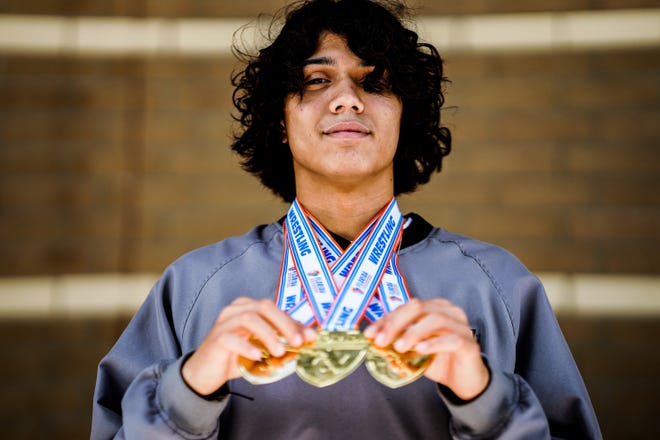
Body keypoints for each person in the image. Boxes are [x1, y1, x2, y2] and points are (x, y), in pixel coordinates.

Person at [92, 0, 601, 438]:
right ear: (281, 122)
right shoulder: (194, 287)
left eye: (374, 82)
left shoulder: (499, 286)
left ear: (406, 117)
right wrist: (188, 390)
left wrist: (486, 399)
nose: (347, 99)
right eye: (317, 80)